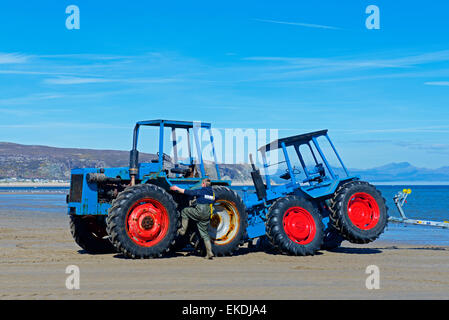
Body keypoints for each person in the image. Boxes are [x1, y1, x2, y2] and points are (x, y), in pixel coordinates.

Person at [170, 178, 215, 259]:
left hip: (200, 211)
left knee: (185, 211)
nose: (201, 185)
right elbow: (215, 199)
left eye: (202, 183)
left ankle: (183, 230)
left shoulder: (201, 191)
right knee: (205, 234)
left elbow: (188, 192)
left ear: (204, 184)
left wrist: (176, 188)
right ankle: (209, 253)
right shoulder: (212, 194)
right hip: (207, 214)